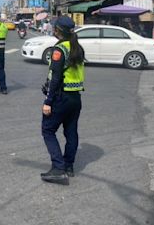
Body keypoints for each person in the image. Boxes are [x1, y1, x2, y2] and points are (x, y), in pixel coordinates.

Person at [40, 15, 85, 185]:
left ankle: (58, 169)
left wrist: (48, 102)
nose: (53, 29)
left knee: (48, 130)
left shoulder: (59, 50)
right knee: (71, 132)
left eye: (54, 27)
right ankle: (69, 166)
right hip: (75, 98)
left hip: (61, 98)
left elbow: (56, 77)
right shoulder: (77, 48)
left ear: (58, 30)